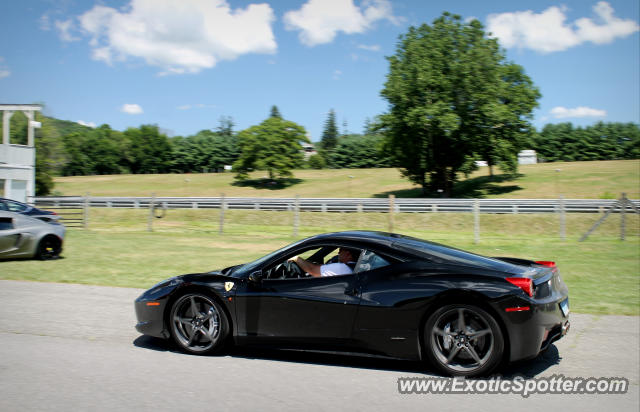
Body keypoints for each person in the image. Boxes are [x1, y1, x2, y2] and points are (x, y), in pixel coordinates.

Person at [288, 247, 359, 277]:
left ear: (348, 254)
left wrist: (296, 258)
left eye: (341, 250)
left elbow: (312, 269)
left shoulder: (342, 268)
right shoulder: (357, 266)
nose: (338, 252)